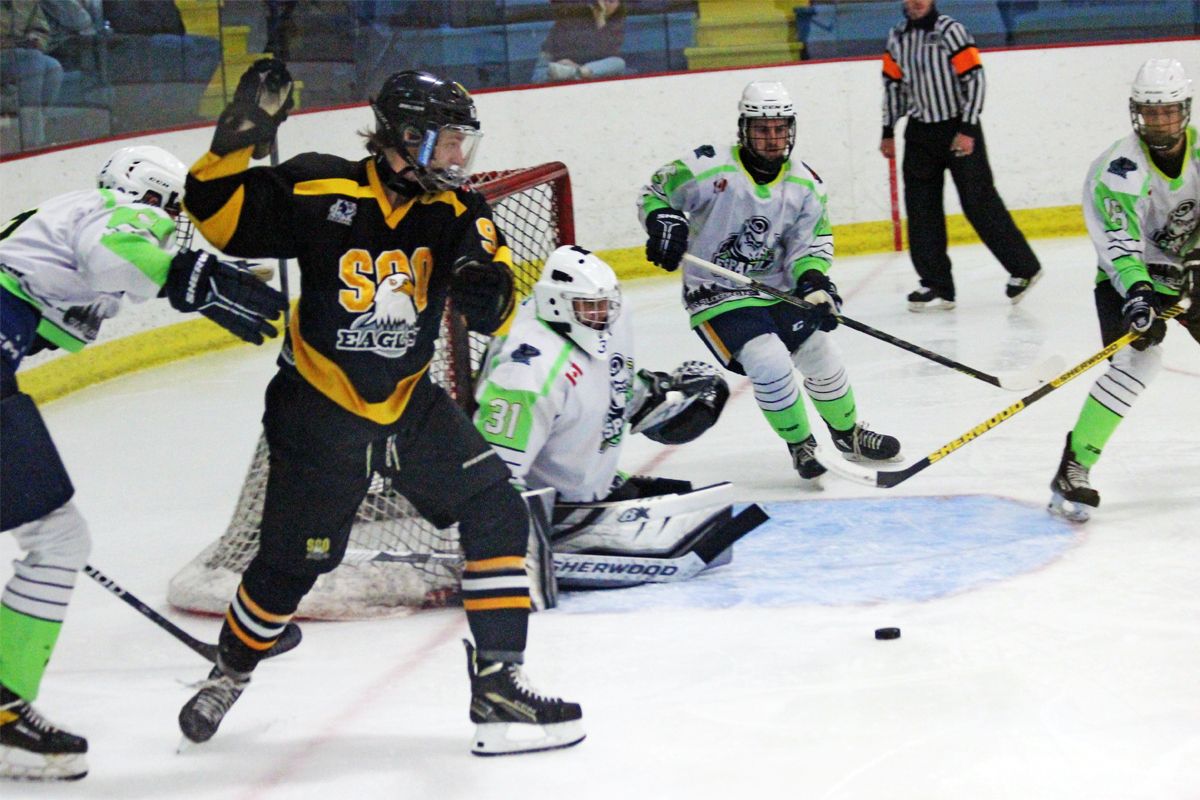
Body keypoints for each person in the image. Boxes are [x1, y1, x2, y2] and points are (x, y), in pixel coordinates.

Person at [176, 60, 583, 756]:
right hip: (318, 410)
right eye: (449, 141)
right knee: (290, 568)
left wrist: (487, 290)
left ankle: (498, 683)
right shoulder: (319, 183)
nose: (461, 157)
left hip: (409, 404)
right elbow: (217, 216)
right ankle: (231, 670)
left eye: (464, 142)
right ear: (405, 137)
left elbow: (496, 295)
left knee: (496, 508)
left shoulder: (456, 209)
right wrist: (238, 136)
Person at [0, 145, 287, 781]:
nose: (171, 225)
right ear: (150, 195)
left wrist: (202, 272)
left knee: (55, 534)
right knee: (56, 538)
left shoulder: (55, 215)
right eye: (170, 212)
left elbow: (67, 294)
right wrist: (197, 279)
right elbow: (118, 251)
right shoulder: (116, 210)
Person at [638, 80, 902, 488]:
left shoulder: (806, 184)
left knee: (819, 350)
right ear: (744, 128)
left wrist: (813, 281)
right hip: (716, 291)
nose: (772, 138)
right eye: (763, 129)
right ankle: (802, 445)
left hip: (775, 287)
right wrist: (663, 221)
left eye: (780, 128)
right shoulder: (708, 165)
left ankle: (848, 434)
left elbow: (810, 244)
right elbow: (656, 191)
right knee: (768, 359)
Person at [1048, 58, 1200, 523]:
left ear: (1184, 109)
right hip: (1131, 278)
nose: (1159, 121)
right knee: (1137, 361)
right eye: (1150, 112)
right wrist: (1138, 294)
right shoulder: (1119, 169)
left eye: (1168, 111)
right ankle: (1073, 469)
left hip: (1193, 268)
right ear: (1136, 112)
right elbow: (1119, 246)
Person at [474, 244, 729, 504]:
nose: (602, 315)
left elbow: (604, 390)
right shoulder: (525, 373)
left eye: (605, 305)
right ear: (555, 302)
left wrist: (657, 398)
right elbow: (495, 480)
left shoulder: (610, 320)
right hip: (558, 512)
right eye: (589, 307)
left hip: (597, 489)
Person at [880, 0, 1042, 311]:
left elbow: (975, 78)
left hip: (957, 127)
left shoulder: (951, 31)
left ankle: (1025, 268)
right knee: (921, 207)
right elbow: (892, 86)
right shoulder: (897, 36)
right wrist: (888, 130)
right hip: (919, 131)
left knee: (978, 202)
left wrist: (967, 128)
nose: (916, 2)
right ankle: (936, 284)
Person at [0, 0, 64, 148]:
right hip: (9, 55)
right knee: (32, 60)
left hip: (21, 55)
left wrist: (35, 40)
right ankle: (31, 142)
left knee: (53, 68)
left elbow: (41, 29)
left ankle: (34, 127)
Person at [532, 0, 625, 83]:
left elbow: (609, 54)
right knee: (541, 75)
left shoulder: (616, 23)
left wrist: (600, 18)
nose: (604, 4)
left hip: (586, 69)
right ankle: (579, 73)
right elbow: (562, 53)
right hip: (558, 62)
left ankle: (577, 73)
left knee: (618, 63)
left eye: (611, 1)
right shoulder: (576, 15)